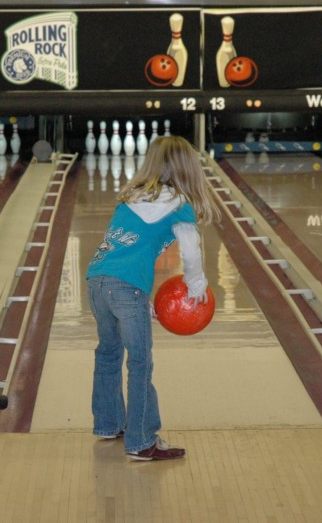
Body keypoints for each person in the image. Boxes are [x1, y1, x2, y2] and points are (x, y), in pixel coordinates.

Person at [86, 136, 220, 461]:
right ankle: (142, 441)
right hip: (126, 287)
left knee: (108, 352)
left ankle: (108, 424)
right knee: (140, 363)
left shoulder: (130, 197)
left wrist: (141, 301)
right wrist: (196, 283)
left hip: (97, 279)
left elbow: (122, 250)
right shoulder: (179, 204)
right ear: (189, 169)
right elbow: (190, 249)